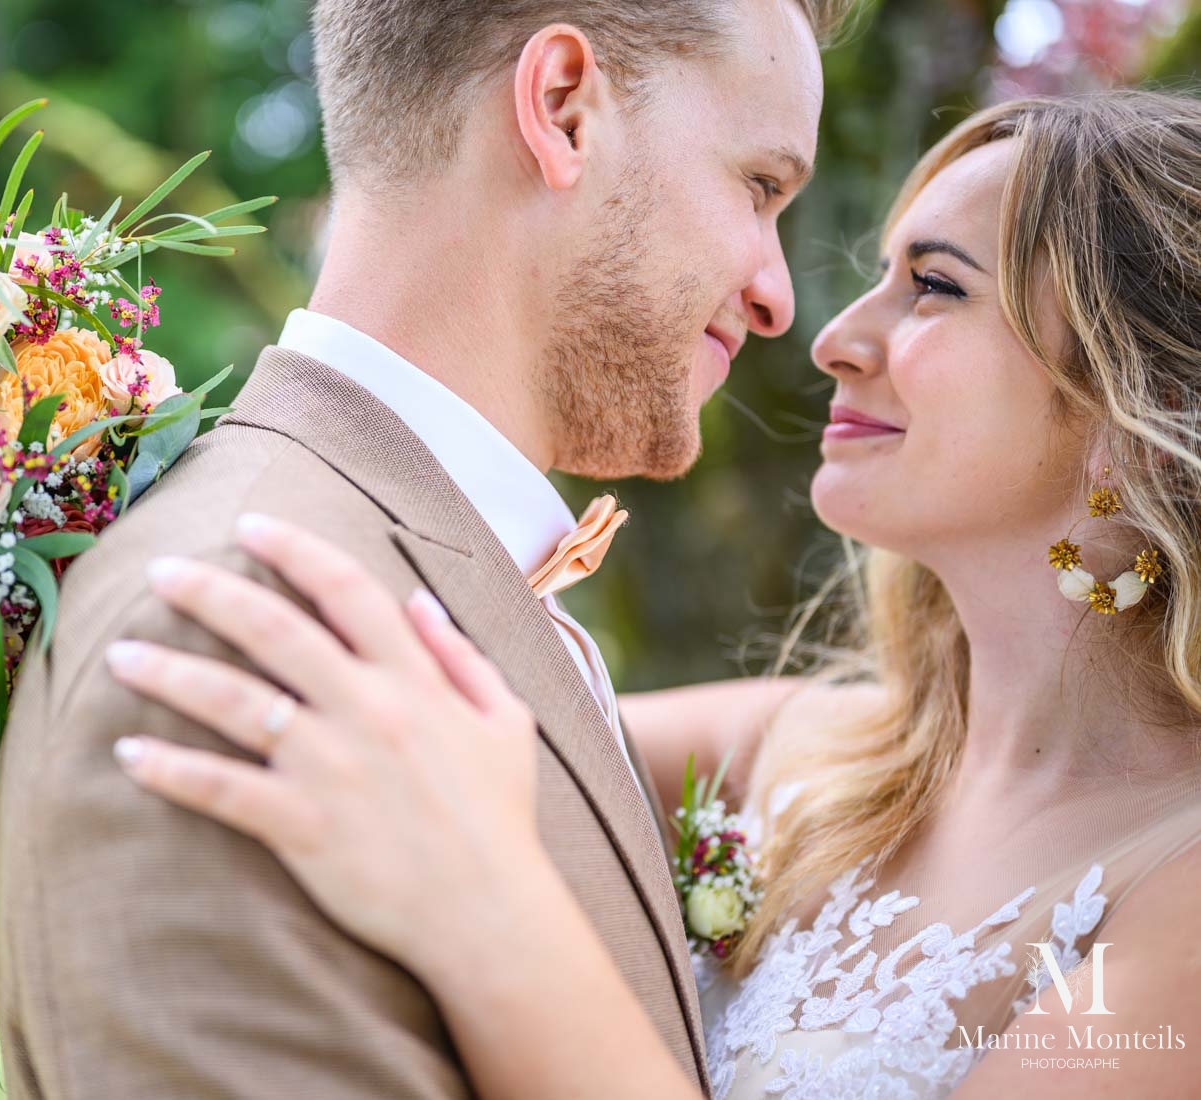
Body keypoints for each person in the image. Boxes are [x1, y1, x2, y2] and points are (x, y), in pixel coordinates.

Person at [106, 89, 1201, 1099]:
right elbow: (383, 725)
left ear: (1134, 402)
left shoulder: (1182, 897)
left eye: (934, 286)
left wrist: (490, 912)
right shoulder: (787, 752)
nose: (831, 337)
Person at [0, 0, 849, 1094]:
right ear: (564, 108)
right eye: (759, 188)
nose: (778, 295)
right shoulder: (251, 639)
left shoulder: (428, 569)